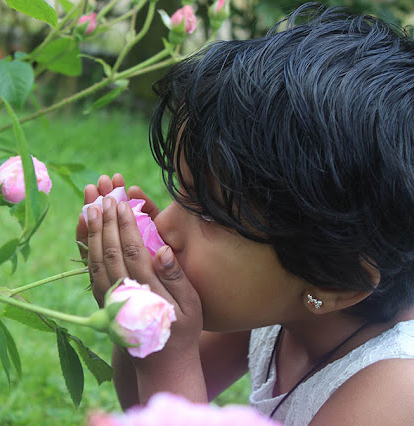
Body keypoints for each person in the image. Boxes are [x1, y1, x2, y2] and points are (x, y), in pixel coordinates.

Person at [75, 4, 414, 425]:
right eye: (182, 194)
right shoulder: (277, 305)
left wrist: (168, 357)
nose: (164, 228)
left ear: (336, 281)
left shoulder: (395, 391)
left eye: (212, 214)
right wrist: (142, 323)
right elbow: (144, 408)